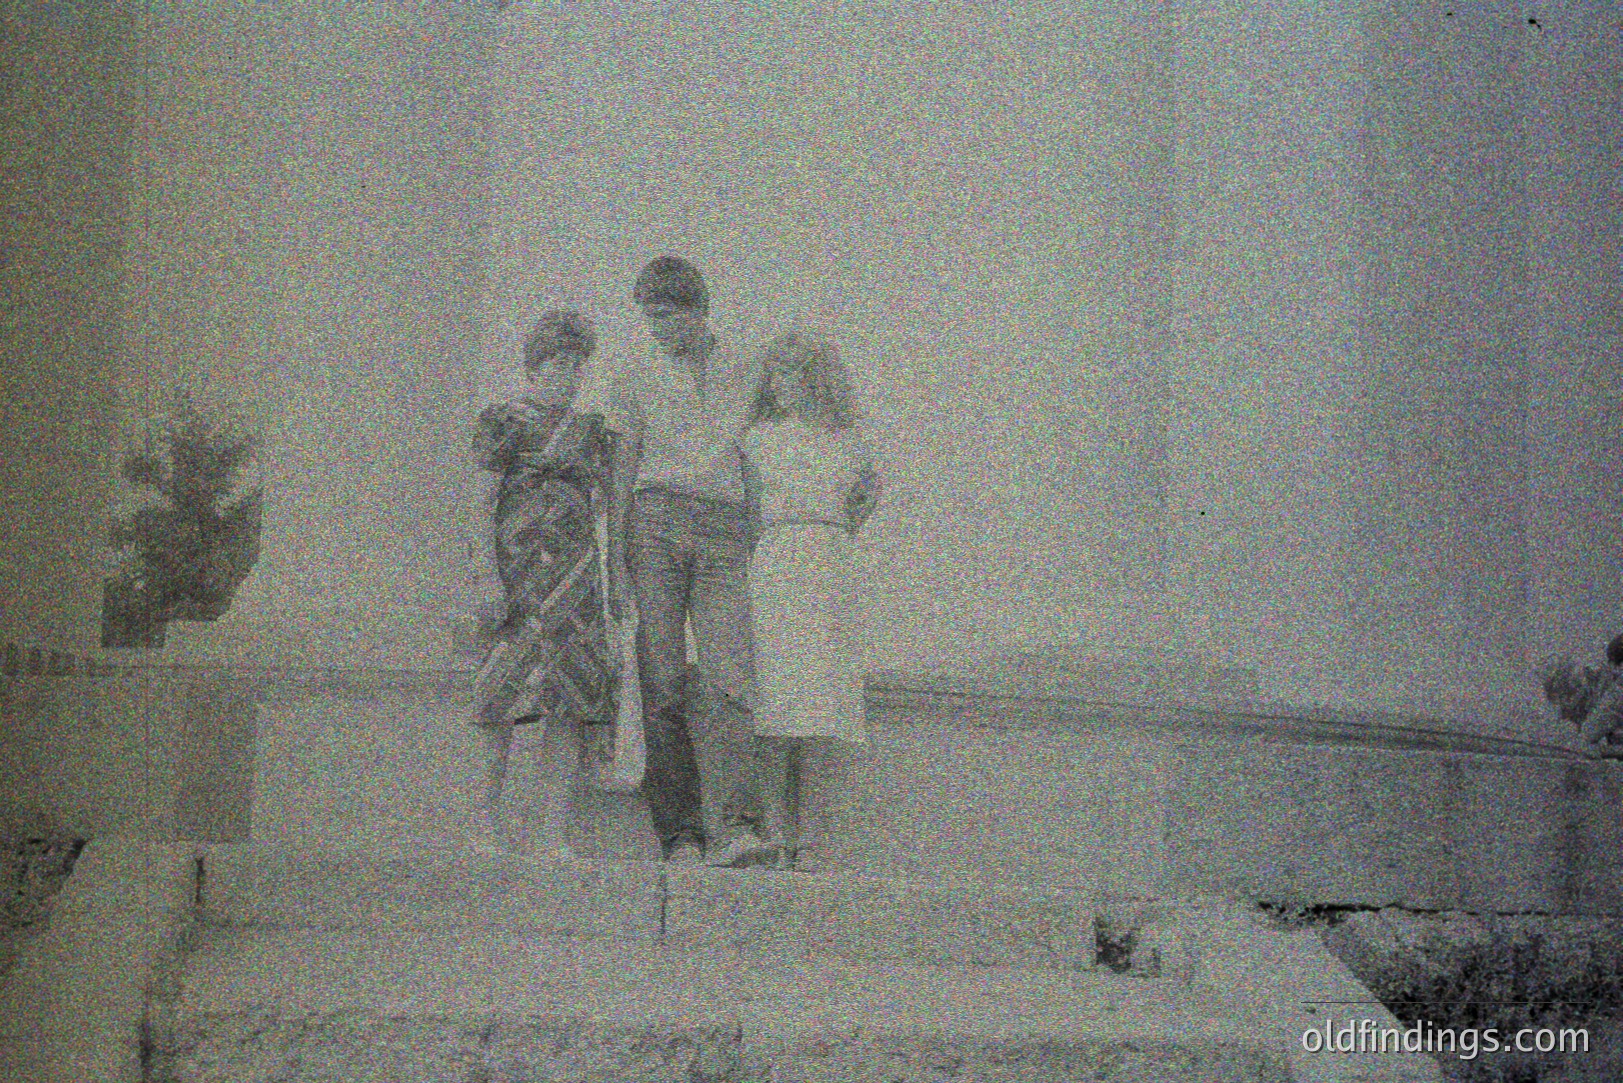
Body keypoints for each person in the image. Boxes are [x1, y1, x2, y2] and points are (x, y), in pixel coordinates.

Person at [573, 256, 771, 867]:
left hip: (723, 523)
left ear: (697, 309)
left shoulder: (745, 367)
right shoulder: (632, 370)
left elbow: (760, 455)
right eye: (649, 319)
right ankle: (680, 832)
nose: (657, 329)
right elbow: (622, 464)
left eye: (665, 317)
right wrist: (616, 561)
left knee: (731, 672)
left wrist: (757, 530)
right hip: (654, 521)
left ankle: (737, 826)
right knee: (660, 676)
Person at [470, 309, 614, 859]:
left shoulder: (589, 431)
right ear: (534, 364)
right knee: (499, 698)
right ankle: (485, 827)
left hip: (575, 585)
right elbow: (480, 502)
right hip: (518, 579)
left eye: (577, 365)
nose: (568, 374)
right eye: (557, 362)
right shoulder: (504, 420)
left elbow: (602, 505)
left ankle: (551, 832)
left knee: (570, 704)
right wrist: (486, 575)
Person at [740, 333, 882, 865]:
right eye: (775, 374)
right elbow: (750, 509)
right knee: (774, 702)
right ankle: (775, 835)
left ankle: (812, 840)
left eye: (794, 373)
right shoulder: (756, 439)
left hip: (828, 564)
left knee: (821, 704)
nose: (783, 386)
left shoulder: (848, 440)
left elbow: (867, 494)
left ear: (817, 378)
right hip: (777, 560)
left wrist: (836, 530)